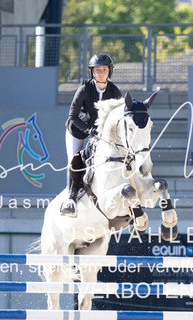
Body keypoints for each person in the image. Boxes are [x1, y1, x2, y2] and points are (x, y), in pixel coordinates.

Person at [60, 53, 122, 217]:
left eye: (104, 70)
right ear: (92, 72)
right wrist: (88, 130)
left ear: (109, 71)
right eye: (97, 70)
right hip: (77, 130)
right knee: (74, 159)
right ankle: (70, 200)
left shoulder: (114, 91)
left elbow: (118, 116)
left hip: (100, 133)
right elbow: (72, 116)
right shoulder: (84, 90)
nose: (100, 73)